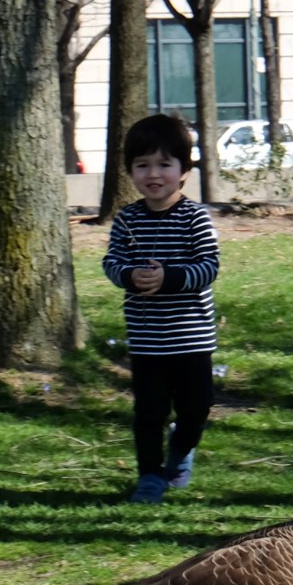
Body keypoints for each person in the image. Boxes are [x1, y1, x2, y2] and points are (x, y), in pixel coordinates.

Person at [102, 115, 220, 504]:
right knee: (149, 413)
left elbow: (209, 266)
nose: (154, 174)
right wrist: (130, 275)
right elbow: (111, 262)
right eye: (142, 165)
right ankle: (150, 477)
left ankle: (182, 450)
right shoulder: (127, 220)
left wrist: (169, 278)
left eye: (164, 164)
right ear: (131, 172)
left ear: (184, 171)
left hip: (191, 337)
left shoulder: (194, 218)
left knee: (196, 408)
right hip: (148, 341)